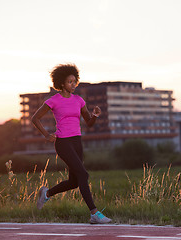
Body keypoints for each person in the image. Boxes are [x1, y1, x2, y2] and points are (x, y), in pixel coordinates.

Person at [31, 63, 112, 224]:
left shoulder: (79, 100)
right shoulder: (54, 100)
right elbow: (35, 118)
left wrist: (95, 115)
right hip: (63, 143)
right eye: (70, 82)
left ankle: (46, 194)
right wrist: (46, 135)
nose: (74, 84)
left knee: (75, 181)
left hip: (77, 142)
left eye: (75, 81)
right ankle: (94, 214)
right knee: (83, 174)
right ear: (61, 83)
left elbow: (88, 122)